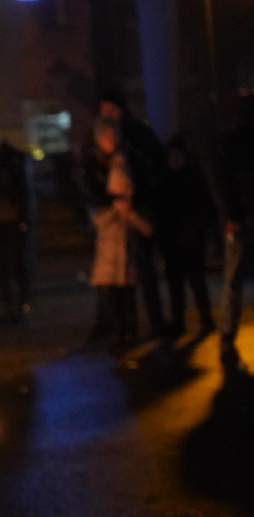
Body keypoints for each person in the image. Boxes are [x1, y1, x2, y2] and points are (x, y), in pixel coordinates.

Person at [94, 89, 168, 337]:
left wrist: (137, 198)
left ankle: (153, 323)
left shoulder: (135, 138)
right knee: (116, 278)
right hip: (113, 217)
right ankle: (118, 327)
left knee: (142, 273)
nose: (108, 113)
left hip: (135, 213)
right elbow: (91, 179)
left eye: (111, 108)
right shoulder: (100, 143)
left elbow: (154, 166)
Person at [84, 118, 153, 347]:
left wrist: (130, 212)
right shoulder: (96, 168)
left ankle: (128, 331)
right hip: (108, 252)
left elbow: (147, 228)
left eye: (114, 136)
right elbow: (97, 214)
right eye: (107, 137)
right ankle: (115, 331)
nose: (112, 141)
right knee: (111, 295)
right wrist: (114, 208)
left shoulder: (127, 161)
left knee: (127, 294)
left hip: (126, 252)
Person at [157, 135, 217, 336]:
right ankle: (178, 322)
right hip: (172, 240)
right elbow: (161, 211)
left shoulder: (194, 177)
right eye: (170, 156)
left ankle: (206, 320)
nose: (174, 160)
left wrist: (195, 228)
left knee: (196, 280)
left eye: (177, 156)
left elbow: (207, 207)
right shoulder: (164, 180)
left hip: (191, 238)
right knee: (176, 284)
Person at [0, 125, 34, 323]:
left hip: (13, 220)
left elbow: (23, 191)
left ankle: (23, 306)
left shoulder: (12, 162)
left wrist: (23, 218)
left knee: (19, 264)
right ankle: (9, 307)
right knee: (2, 267)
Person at [218, 94, 254, 347]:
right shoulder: (232, 143)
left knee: (233, 278)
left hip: (239, 218)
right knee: (233, 277)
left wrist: (232, 214)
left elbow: (223, 182)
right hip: (242, 216)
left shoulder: (230, 143)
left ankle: (228, 331)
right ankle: (227, 330)